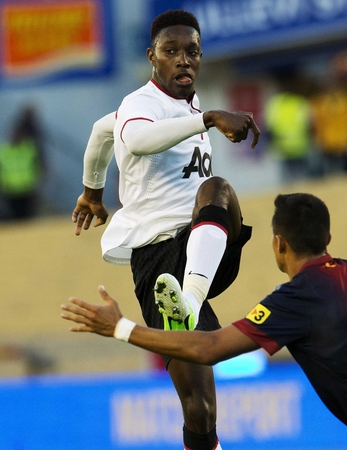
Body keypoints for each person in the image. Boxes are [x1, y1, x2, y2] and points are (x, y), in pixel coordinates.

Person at [63, 193, 347, 449]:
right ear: (327, 237)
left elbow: (209, 348)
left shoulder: (297, 299)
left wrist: (120, 327)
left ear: (278, 244)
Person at [71, 10, 258, 450]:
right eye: (171, 51)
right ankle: (185, 303)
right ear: (152, 57)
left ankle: (189, 301)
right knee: (200, 406)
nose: (183, 60)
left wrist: (92, 192)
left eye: (191, 52)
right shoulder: (143, 104)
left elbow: (101, 132)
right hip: (157, 264)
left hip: (198, 255)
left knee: (219, 190)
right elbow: (130, 138)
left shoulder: (186, 106)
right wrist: (209, 118)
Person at [0, 105, 45, 220]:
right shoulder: (1, 150)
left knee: (28, 219)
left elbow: (38, 166)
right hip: (8, 190)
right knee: (13, 220)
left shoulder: (29, 148)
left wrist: (39, 183)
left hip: (27, 189)